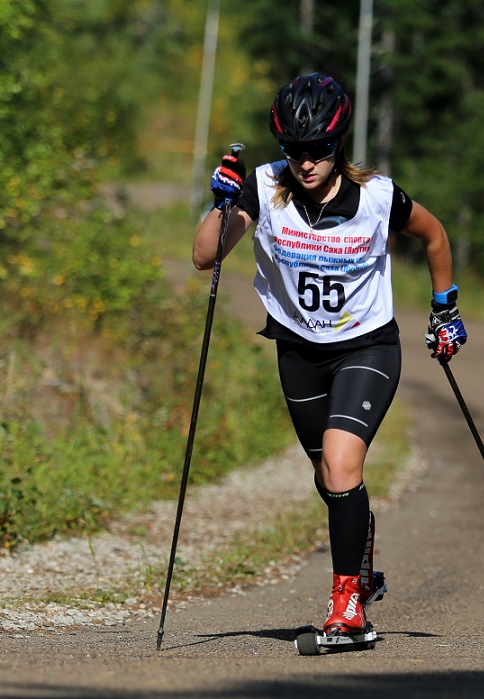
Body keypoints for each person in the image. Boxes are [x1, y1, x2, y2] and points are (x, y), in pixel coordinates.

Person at [193, 73, 467, 637]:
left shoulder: (376, 197)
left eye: (317, 150)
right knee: (328, 476)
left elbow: (435, 235)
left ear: (336, 145)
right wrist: (220, 204)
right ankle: (362, 562)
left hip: (366, 345)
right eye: (294, 150)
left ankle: (348, 610)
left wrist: (445, 308)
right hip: (298, 350)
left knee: (343, 465)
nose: (305, 162)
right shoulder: (265, 188)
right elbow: (203, 257)